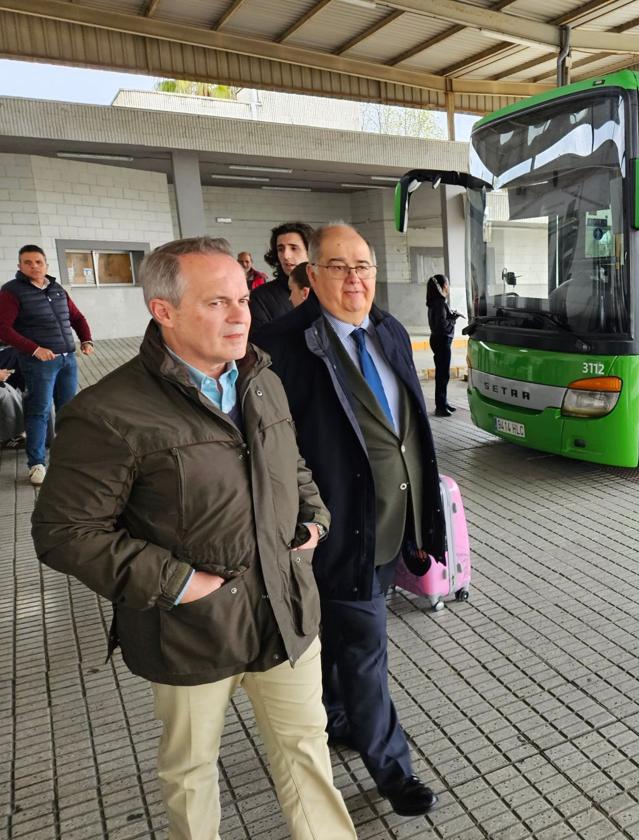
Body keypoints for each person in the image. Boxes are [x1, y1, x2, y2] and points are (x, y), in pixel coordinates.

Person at [30, 236, 356, 839]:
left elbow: (293, 463)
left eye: (242, 299)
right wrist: (179, 583)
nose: (241, 316)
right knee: (190, 771)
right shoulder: (110, 412)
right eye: (217, 303)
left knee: (308, 754)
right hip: (189, 628)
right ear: (164, 310)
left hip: (285, 611)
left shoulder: (261, 378)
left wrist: (313, 521)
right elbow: (63, 532)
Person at [255, 223, 445, 818]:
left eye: (363, 265)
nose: (355, 278)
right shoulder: (281, 345)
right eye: (338, 266)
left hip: (393, 524)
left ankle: (338, 717)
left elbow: (411, 428)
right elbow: (269, 449)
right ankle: (393, 772)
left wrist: (424, 523)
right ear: (310, 275)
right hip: (334, 534)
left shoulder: (387, 329)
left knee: (344, 640)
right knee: (366, 649)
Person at [0, 244, 94, 485]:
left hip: (67, 360)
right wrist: (34, 349)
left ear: (46, 265)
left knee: (68, 410)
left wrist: (86, 339)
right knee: (38, 411)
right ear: (20, 266)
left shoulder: (57, 289)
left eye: (38, 262)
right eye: (28, 262)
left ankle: (68, 458)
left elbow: (76, 317)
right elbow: (3, 329)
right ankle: (37, 464)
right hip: (37, 363)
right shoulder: (12, 292)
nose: (34, 266)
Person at [250, 222, 313, 336]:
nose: (285, 256)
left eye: (294, 248)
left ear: (310, 252)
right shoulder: (259, 298)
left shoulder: (328, 292)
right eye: (280, 249)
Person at [425, 274, 461, 417]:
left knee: (442, 374)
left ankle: (443, 403)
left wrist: (450, 317)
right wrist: (452, 319)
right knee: (442, 375)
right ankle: (440, 407)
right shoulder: (440, 303)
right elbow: (442, 326)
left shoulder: (434, 302)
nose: (449, 286)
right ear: (443, 286)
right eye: (447, 283)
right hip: (442, 340)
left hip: (437, 339)